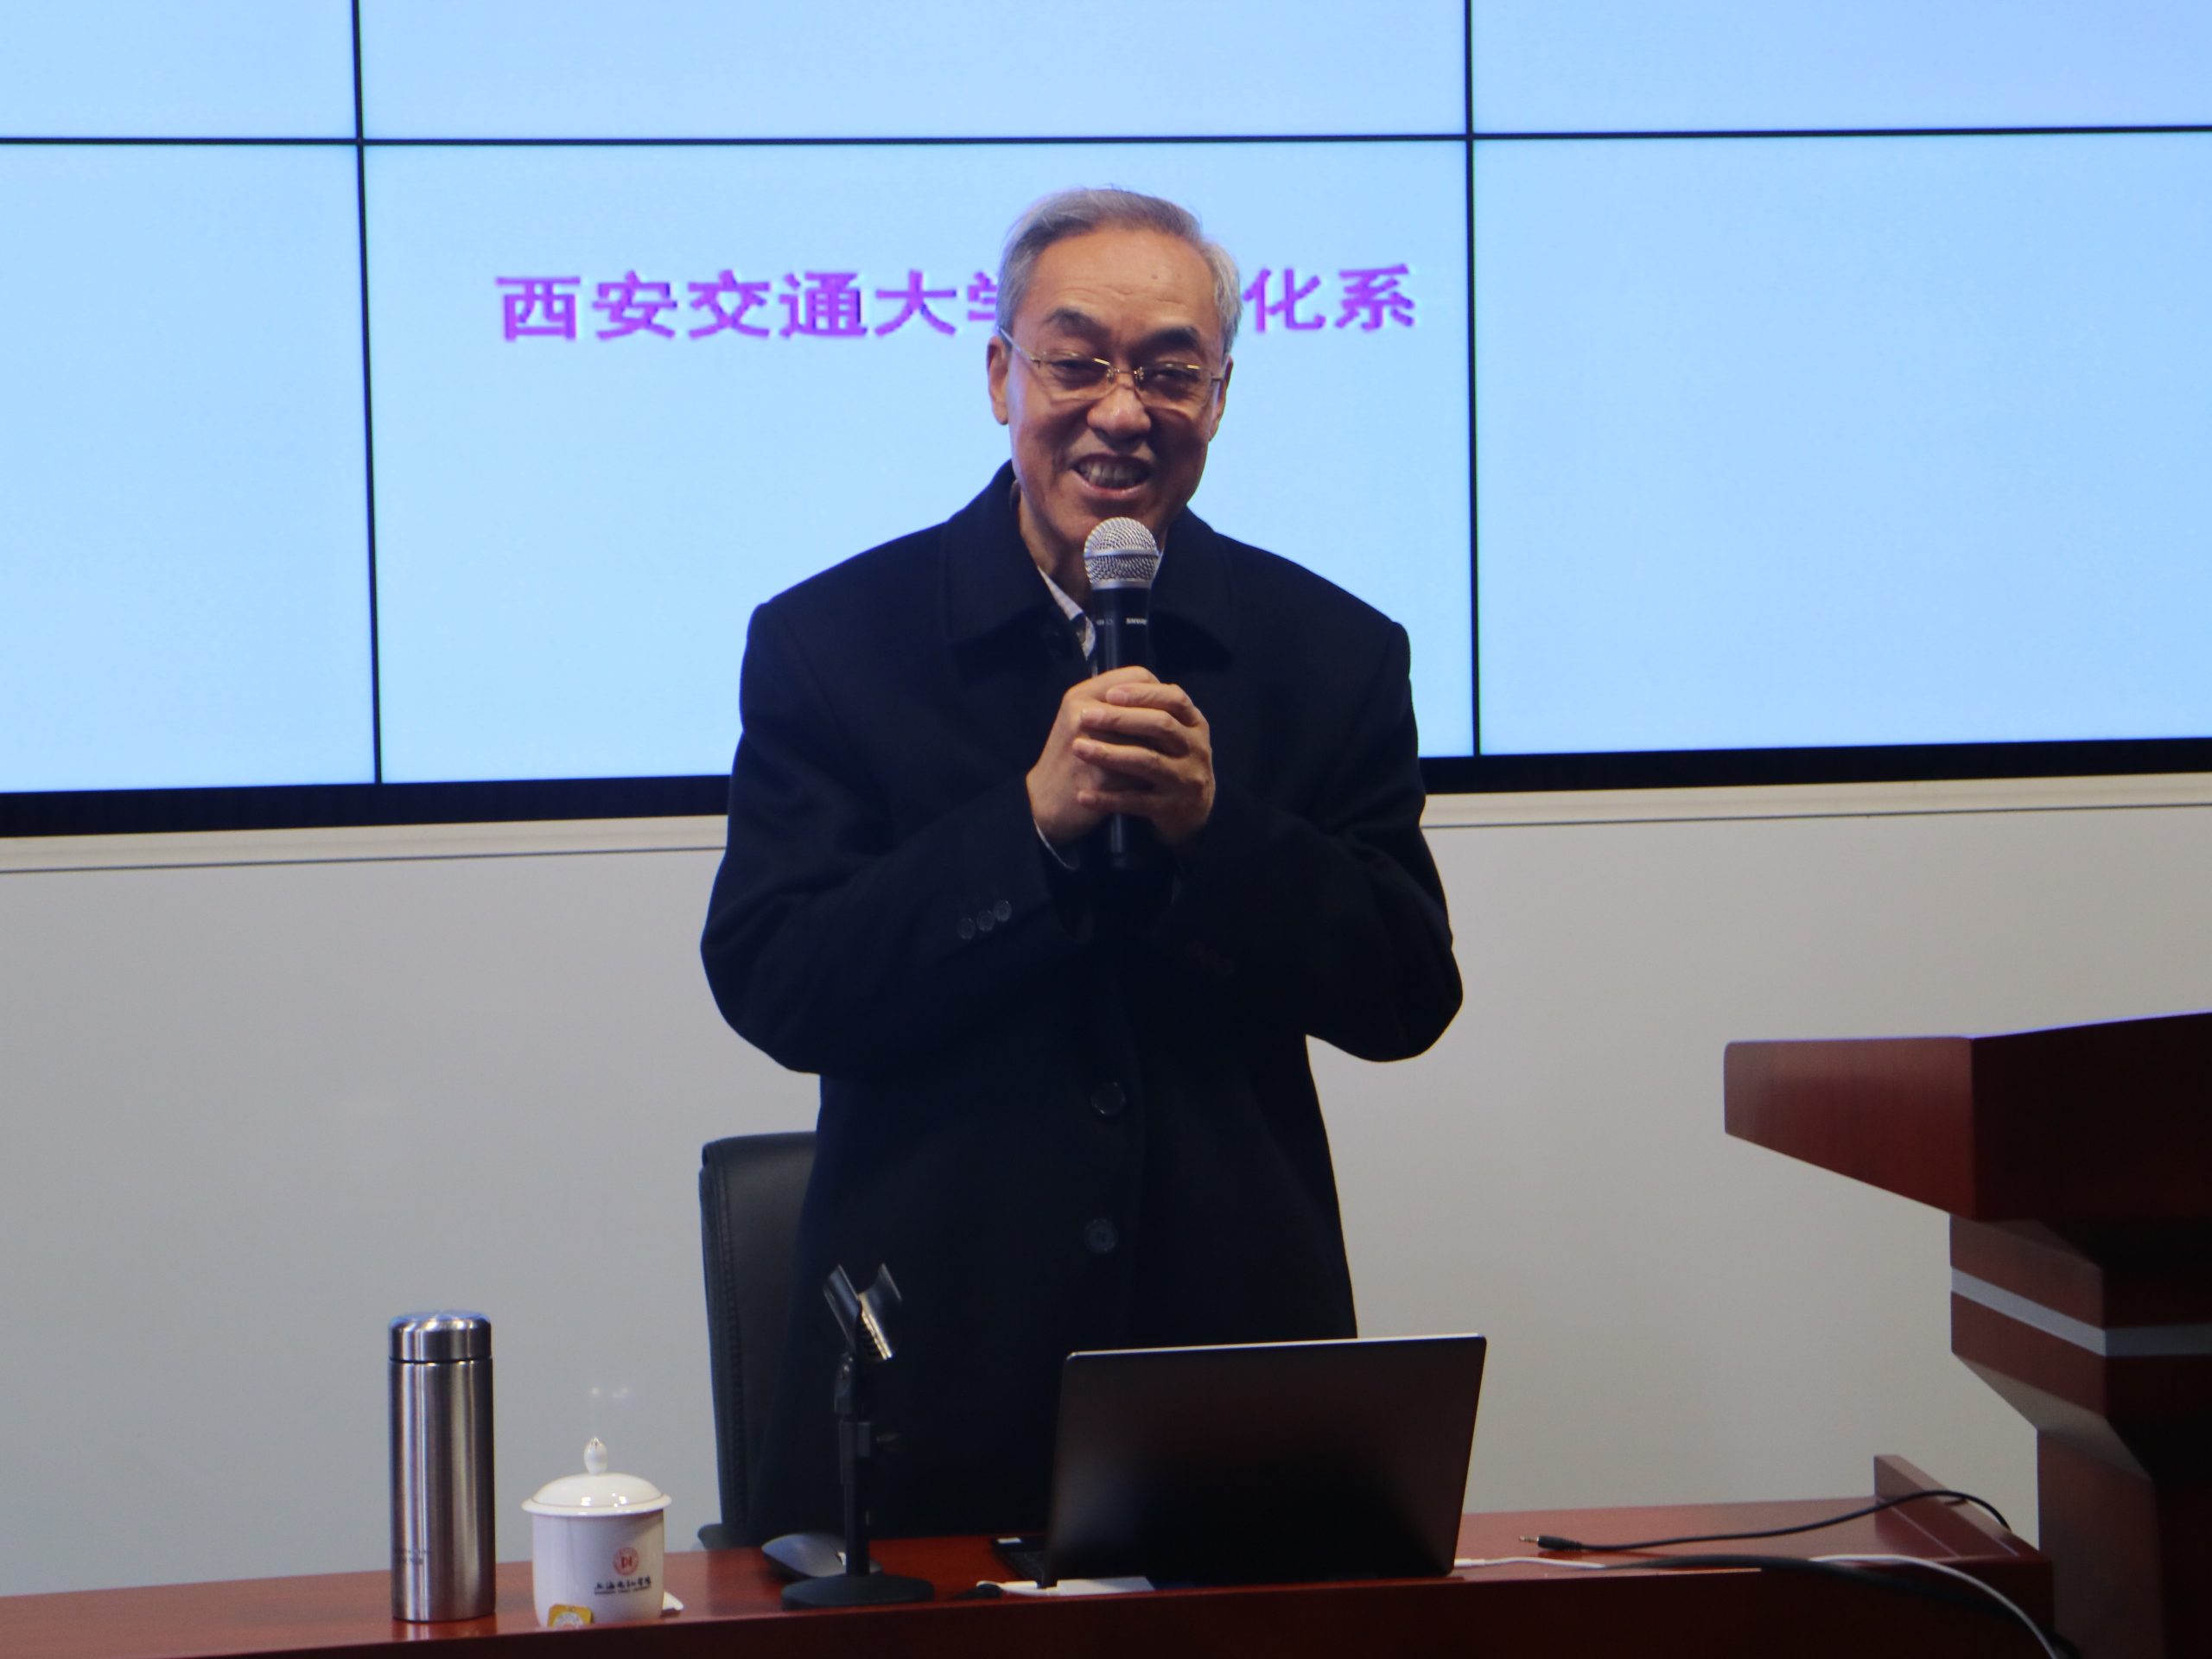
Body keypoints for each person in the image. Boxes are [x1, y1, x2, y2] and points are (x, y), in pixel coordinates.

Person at [701, 188, 1461, 1540]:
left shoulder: (1331, 652)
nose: (1123, 411)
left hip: (1232, 1386)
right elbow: (779, 980)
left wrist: (1216, 832)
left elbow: (1406, 992)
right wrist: (1029, 826)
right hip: (929, 1382)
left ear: (1219, 397)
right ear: (1003, 376)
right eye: (1077, 362)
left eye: (1170, 371)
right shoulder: (836, 642)